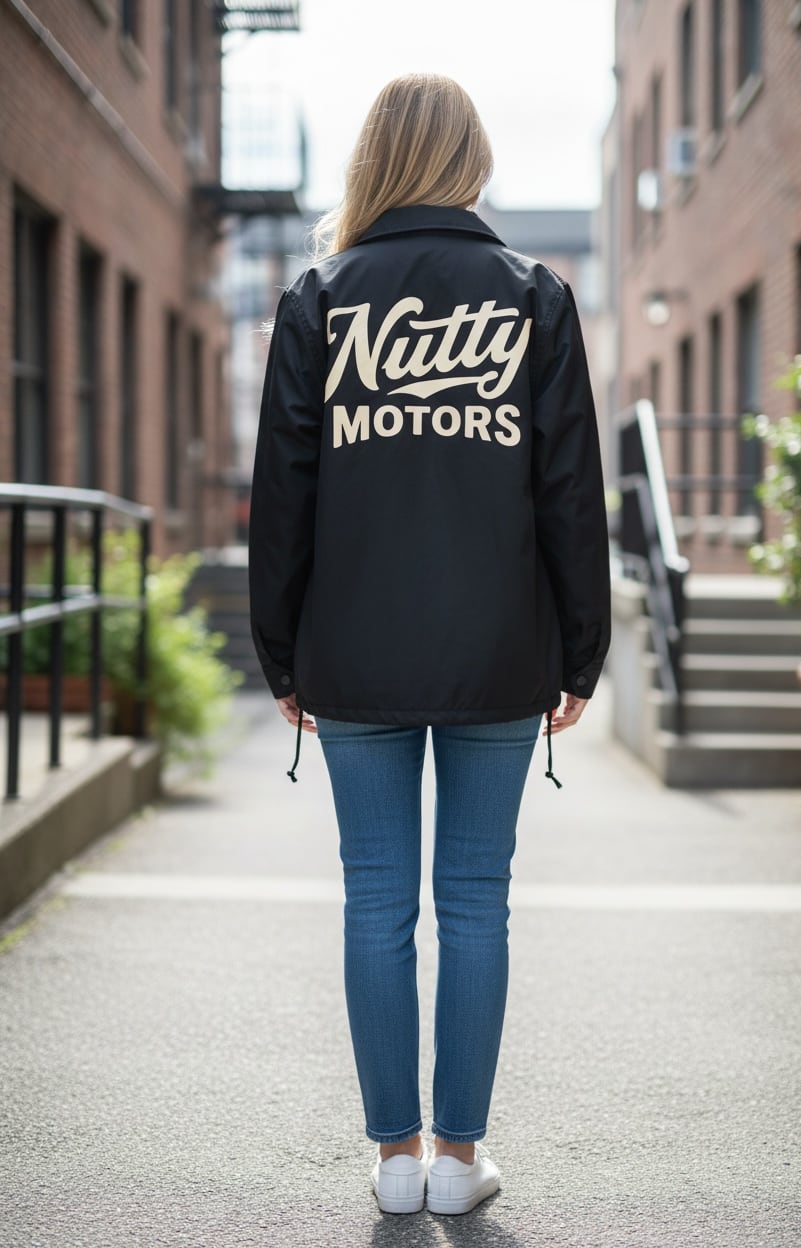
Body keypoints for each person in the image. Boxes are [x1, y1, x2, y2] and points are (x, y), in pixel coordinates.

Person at [248, 72, 611, 1217]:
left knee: (374, 900)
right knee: (473, 901)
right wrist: (582, 651)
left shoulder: (320, 297)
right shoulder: (534, 296)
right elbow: (570, 489)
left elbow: (284, 494)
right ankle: (458, 1162)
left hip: (354, 650)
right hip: (499, 650)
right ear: (471, 161)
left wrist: (280, 652)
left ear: (373, 159)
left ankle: (396, 1160)